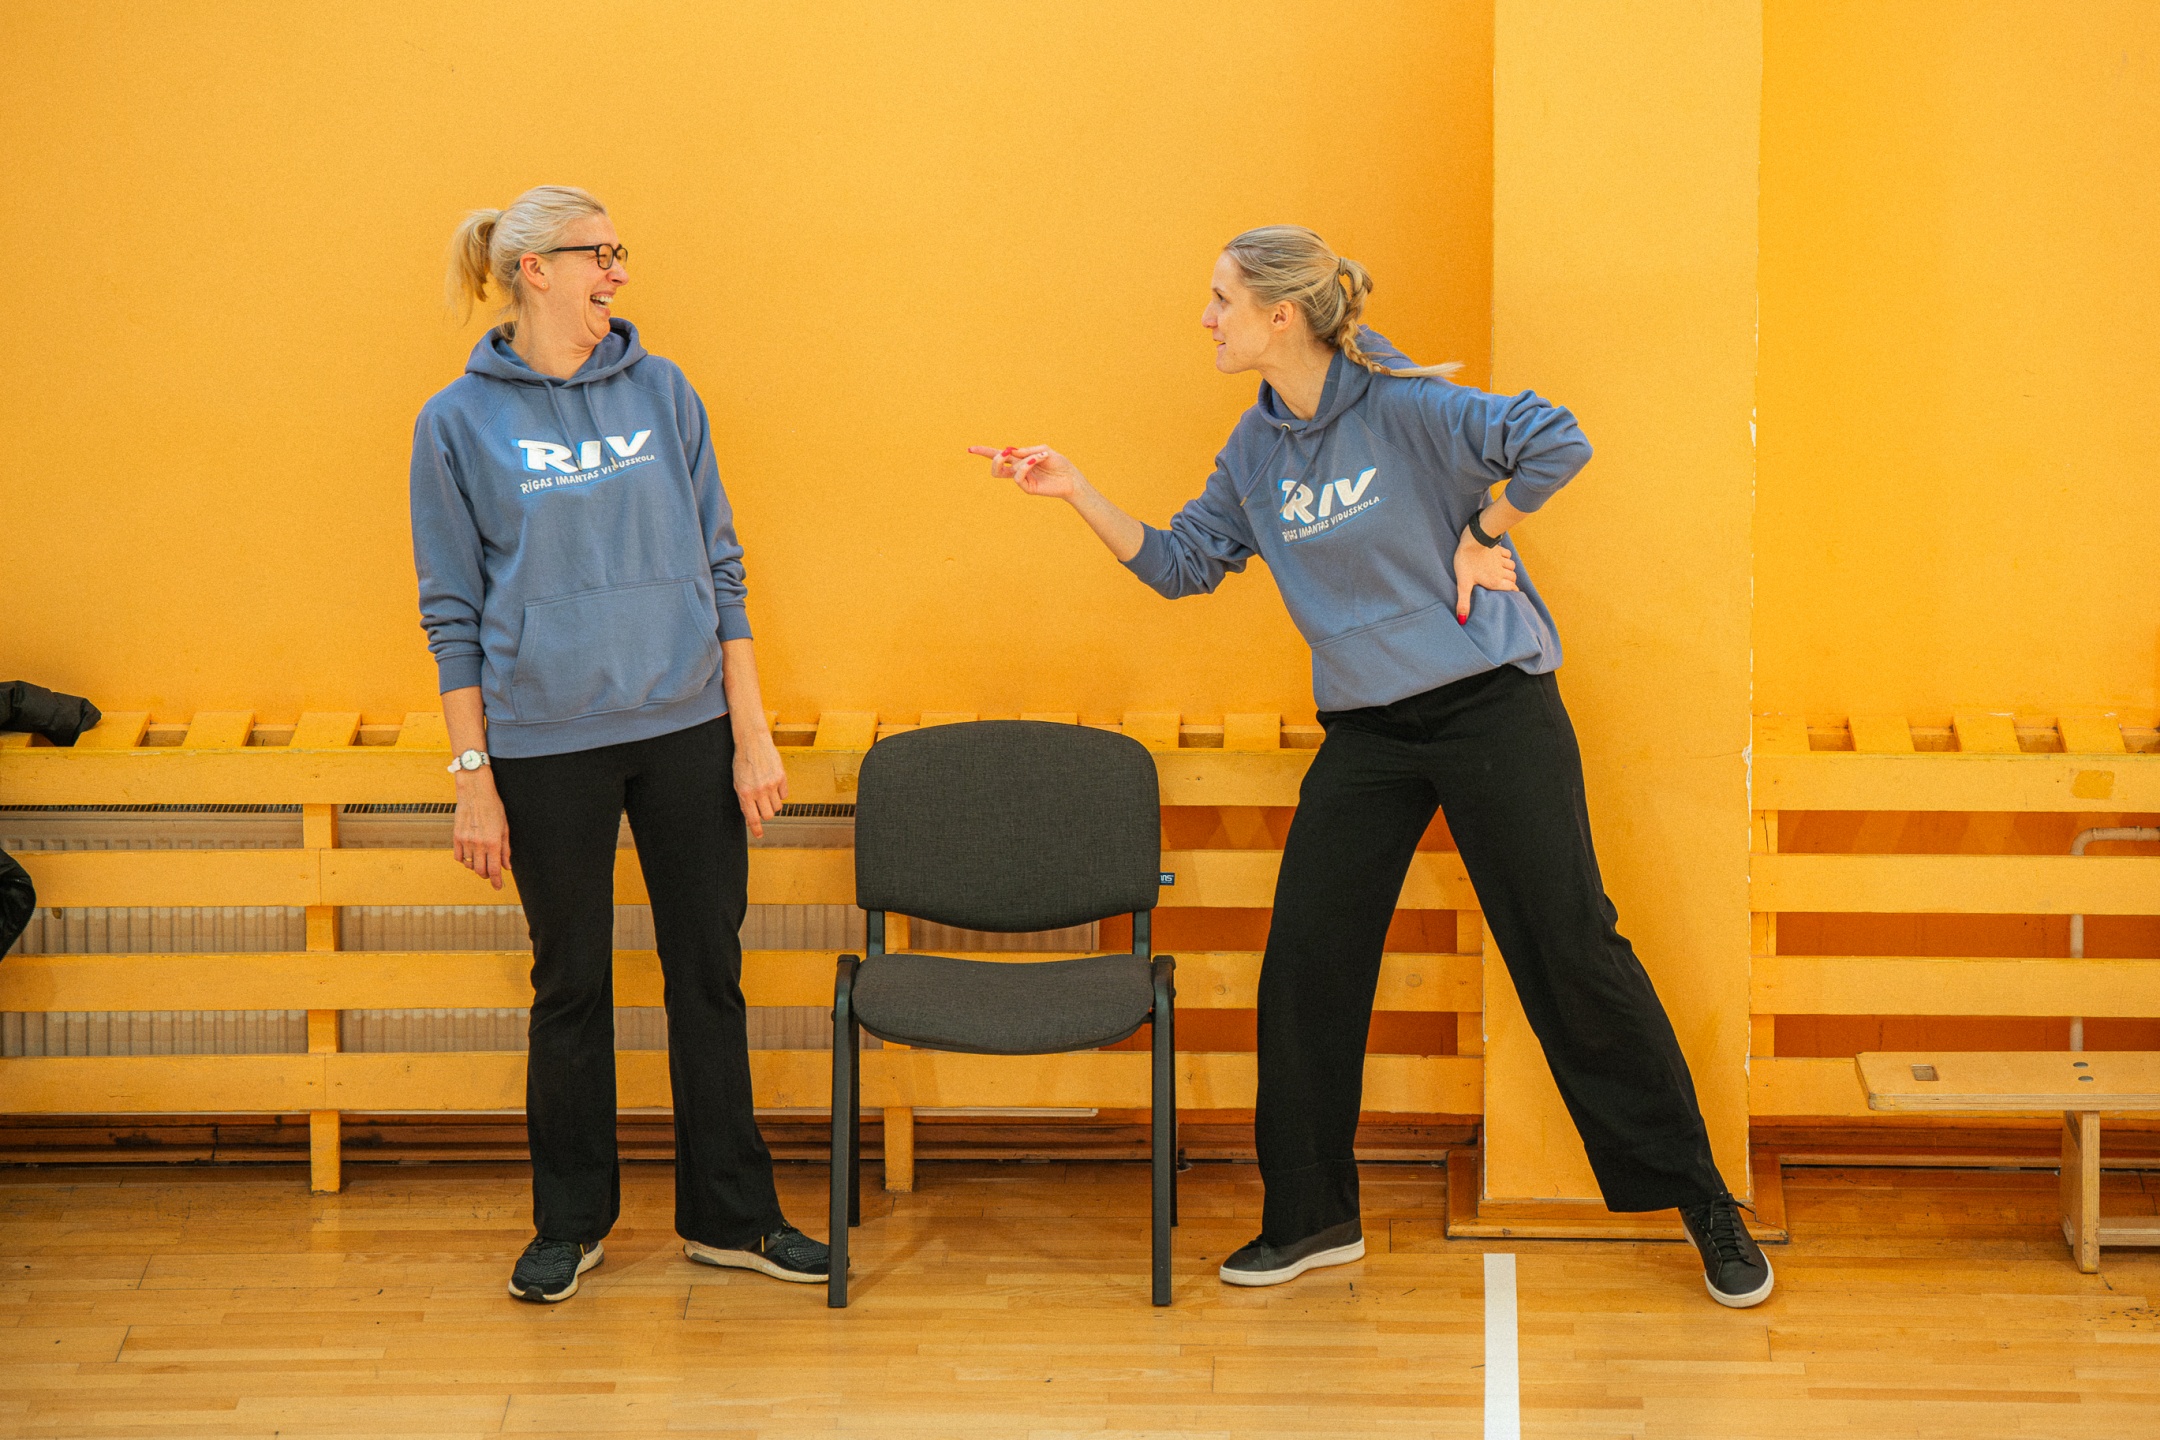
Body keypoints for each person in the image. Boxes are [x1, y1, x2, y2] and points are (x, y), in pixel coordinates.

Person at [971, 225, 1772, 1309]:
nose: (1206, 319)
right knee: (1309, 962)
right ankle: (1312, 1218)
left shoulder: (1406, 408)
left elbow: (1557, 438)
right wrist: (1076, 491)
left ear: (1280, 316)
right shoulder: (1255, 453)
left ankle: (1704, 1203)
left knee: (1572, 951)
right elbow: (1182, 564)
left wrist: (1483, 526)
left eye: (1220, 300)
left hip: (1492, 707)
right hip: (1370, 735)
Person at [410, 184, 829, 1303]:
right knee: (571, 987)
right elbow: (450, 614)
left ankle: (733, 1218)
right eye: (600, 254)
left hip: (688, 726)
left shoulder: (663, 390)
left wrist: (750, 734)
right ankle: (571, 1222)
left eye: (618, 253)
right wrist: (474, 781)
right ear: (535, 269)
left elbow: (722, 565)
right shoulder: (456, 423)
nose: (619, 273)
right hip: (546, 746)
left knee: (709, 974)